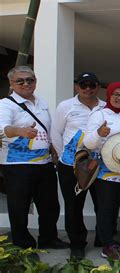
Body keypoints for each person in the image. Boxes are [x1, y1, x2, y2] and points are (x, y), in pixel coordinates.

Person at [0, 66, 68, 250]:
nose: (26, 84)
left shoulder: (41, 103)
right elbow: (1, 129)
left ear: (35, 82)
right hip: (17, 165)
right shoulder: (6, 104)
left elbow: (48, 131)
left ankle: (49, 238)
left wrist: (54, 151)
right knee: (19, 206)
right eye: (20, 81)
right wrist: (20, 131)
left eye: (30, 80)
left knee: (50, 205)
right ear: (11, 84)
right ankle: (22, 243)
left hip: (44, 163)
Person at [83, 82, 120, 259]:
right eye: (115, 94)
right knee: (107, 209)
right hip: (106, 171)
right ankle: (108, 244)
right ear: (109, 96)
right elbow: (88, 143)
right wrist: (99, 133)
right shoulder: (100, 114)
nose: (119, 97)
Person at [50, 72, 105, 258]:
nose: (88, 88)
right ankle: (77, 243)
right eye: (83, 85)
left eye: (92, 84)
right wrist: (65, 156)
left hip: (98, 163)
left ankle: (103, 238)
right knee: (74, 206)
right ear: (77, 87)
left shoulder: (105, 107)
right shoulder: (66, 106)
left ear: (98, 87)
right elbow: (56, 132)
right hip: (70, 165)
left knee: (103, 204)